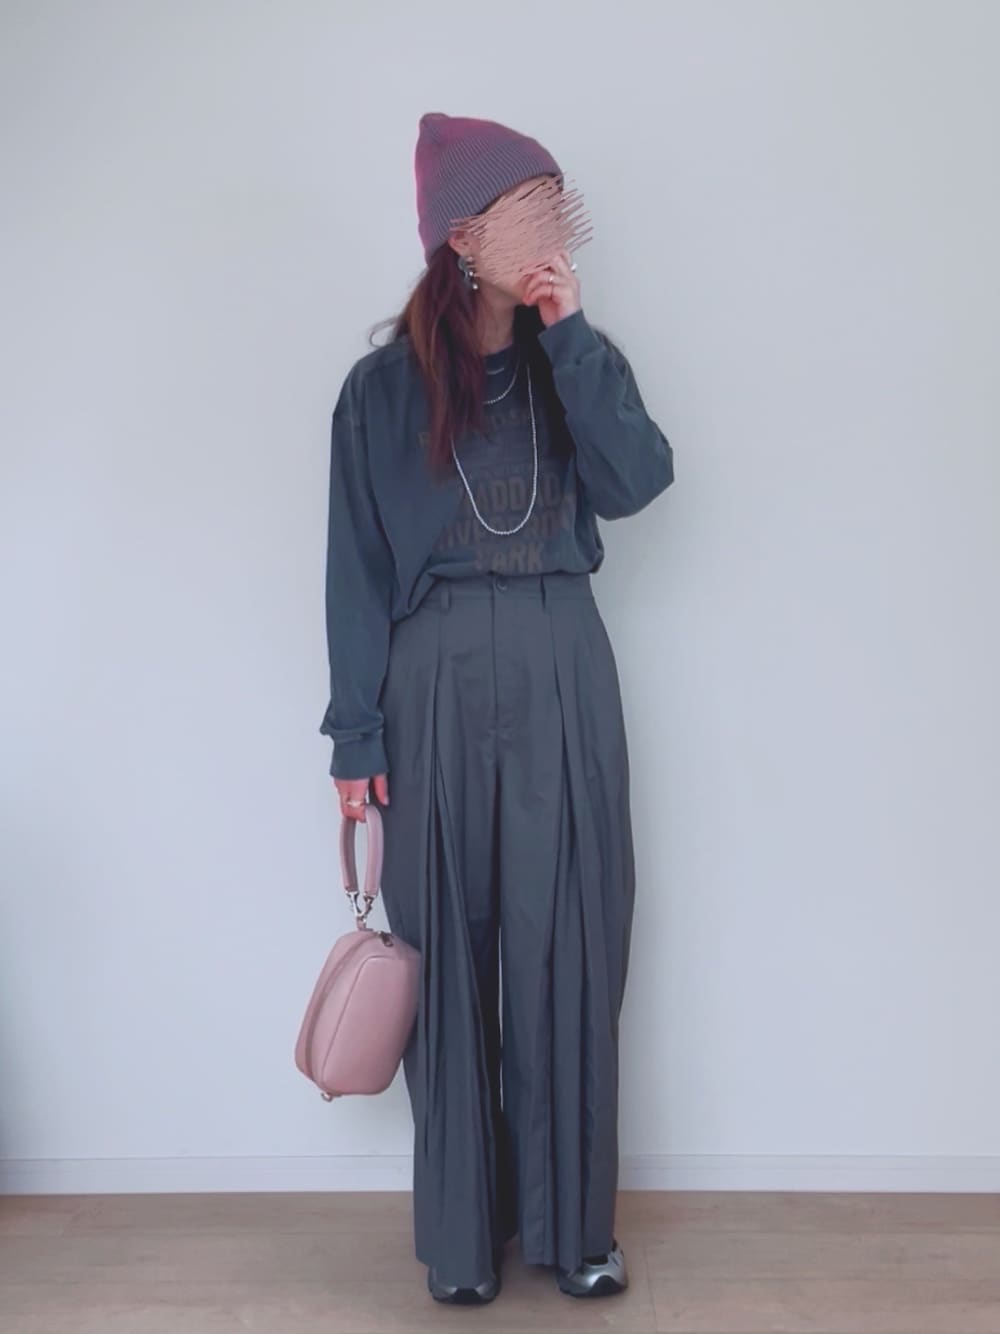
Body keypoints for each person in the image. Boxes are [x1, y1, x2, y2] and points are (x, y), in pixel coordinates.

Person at [319, 111, 674, 1305]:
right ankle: (466, 1240)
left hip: (562, 659)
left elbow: (638, 481)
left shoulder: (576, 362)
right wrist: (355, 737)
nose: (550, 229)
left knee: (570, 938)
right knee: (453, 955)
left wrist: (570, 336)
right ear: (462, 236)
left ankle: (575, 1228)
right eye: (527, 207)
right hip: (429, 684)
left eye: (555, 207)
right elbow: (355, 573)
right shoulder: (379, 393)